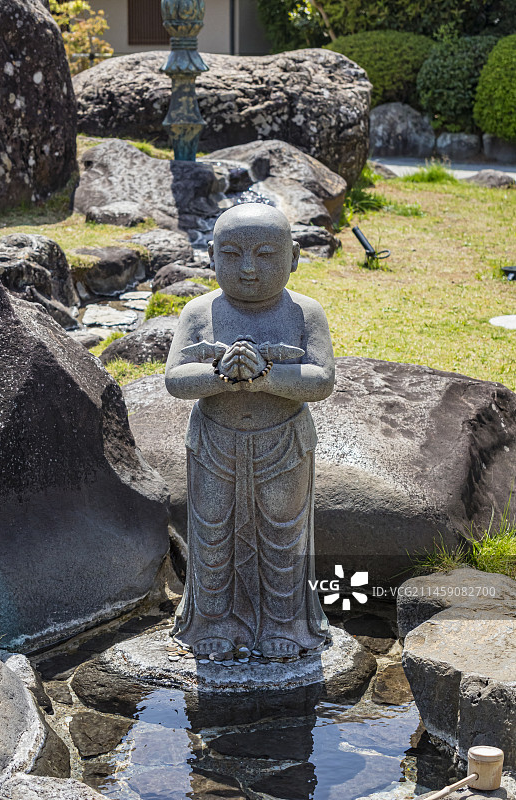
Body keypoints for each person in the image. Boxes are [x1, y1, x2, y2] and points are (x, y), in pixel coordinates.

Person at [165, 203, 335, 658]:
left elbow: (321, 380)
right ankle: (214, 623)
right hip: (214, 441)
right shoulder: (200, 310)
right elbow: (176, 379)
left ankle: (285, 625)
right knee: (212, 536)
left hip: (283, 443)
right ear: (212, 255)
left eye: (265, 255)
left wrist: (265, 376)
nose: (248, 269)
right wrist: (221, 371)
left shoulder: (304, 313)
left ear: (294, 258)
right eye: (233, 254)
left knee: (283, 538)